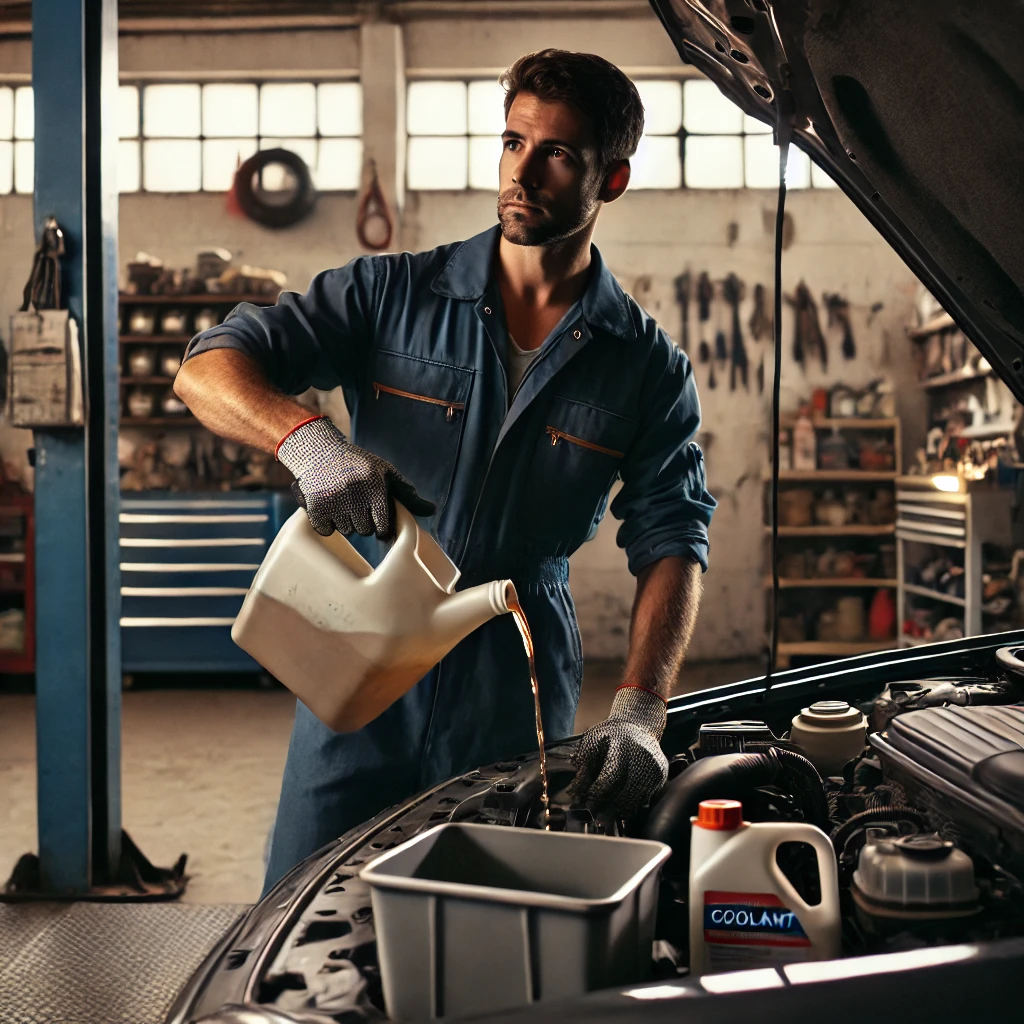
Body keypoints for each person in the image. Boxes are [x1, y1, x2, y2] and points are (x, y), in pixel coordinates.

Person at [175, 49, 716, 893]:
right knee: (304, 901)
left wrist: (643, 707)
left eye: (557, 153)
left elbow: (675, 533)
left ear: (610, 181)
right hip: (357, 661)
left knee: (483, 916)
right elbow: (207, 366)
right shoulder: (391, 295)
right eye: (512, 142)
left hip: (510, 673)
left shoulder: (644, 367)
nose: (521, 171)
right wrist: (305, 439)